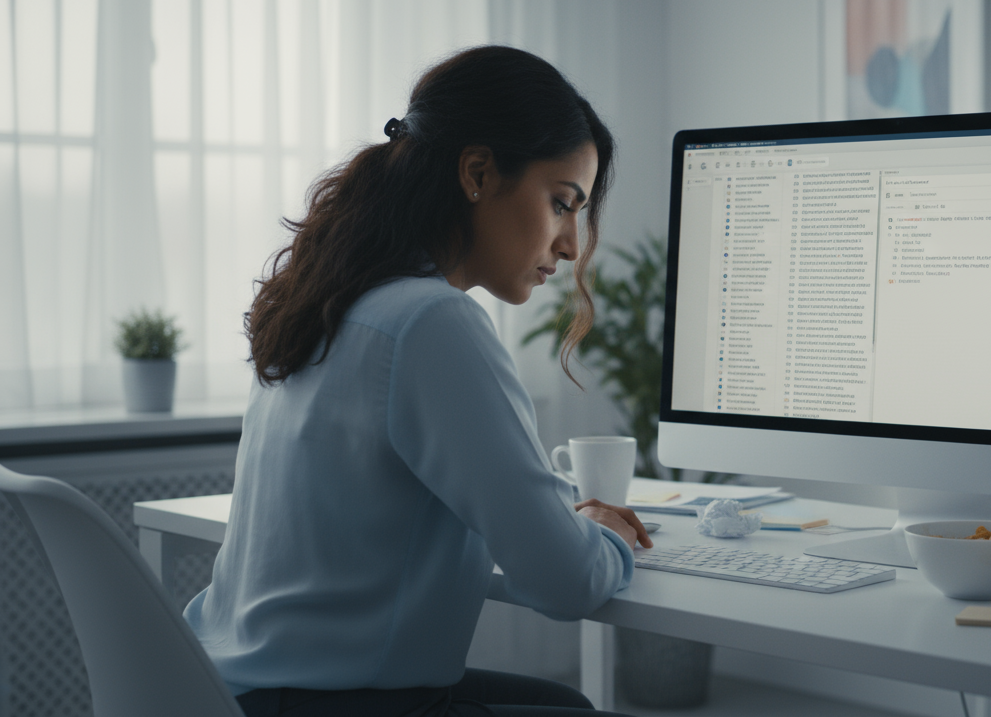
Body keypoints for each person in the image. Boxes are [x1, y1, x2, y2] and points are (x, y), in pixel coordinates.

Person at [184, 45, 651, 717]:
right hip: (331, 705)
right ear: (479, 172)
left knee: (563, 704)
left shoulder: (330, 303)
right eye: (560, 203)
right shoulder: (432, 321)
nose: (572, 245)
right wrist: (603, 528)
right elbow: (566, 581)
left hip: (236, 691)